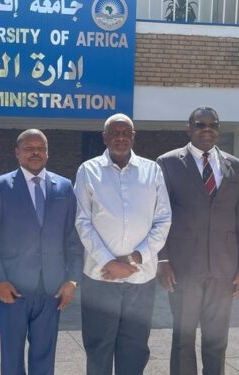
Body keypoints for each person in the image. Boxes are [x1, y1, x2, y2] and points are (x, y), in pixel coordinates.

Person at [0, 129, 84, 374]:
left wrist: (72, 280)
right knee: (11, 356)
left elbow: (73, 237)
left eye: (41, 148)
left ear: (47, 153)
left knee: (44, 355)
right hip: (12, 289)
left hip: (52, 288)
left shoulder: (64, 187)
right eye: (28, 148)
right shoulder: (0, 187)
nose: (35, 152)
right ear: (17, 153)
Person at [74, 113, 172, 375]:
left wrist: (136, 258)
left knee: (135, 347)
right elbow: (82, 221)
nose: (120, 137)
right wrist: (109, 261)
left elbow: (163, 220)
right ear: (104, 138)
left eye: (125, 132)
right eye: (114, 133)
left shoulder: (152, 171)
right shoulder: (88, 171)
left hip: (140, 277)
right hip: (100, 276)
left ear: (133, 137)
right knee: (98, 346)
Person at [156, 107, 239, 375]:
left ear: (218, 129)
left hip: (224, 270)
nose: (206, 129)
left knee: (217, 340)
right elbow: (159, 215)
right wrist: (162, 259)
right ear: (189, 128)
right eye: (200, 124)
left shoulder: (237, 166)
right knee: (183, 340)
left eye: (213, 125)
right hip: (184, 268)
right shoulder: (168, 163)